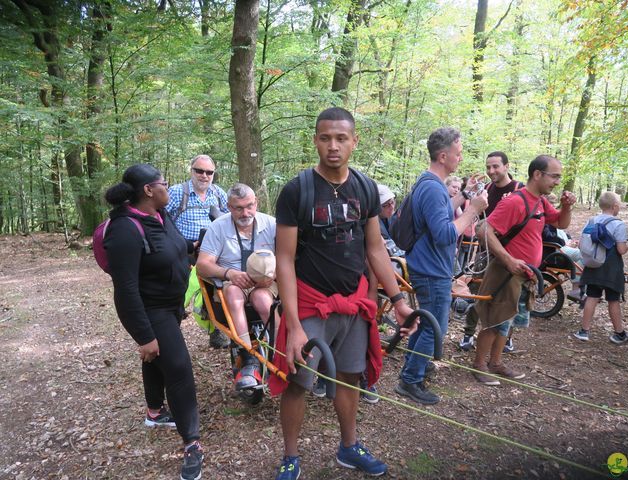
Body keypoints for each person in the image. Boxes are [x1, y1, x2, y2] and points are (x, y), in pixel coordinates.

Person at [270, 107, 415, 480]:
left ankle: (349, 447)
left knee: (350, 376)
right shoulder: (297, 190)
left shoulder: (365, 187)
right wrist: (295, 324)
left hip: (354, 302)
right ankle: (290, 457)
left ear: (354, 141)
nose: (333, 146)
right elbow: (284, 260)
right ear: (316, 140)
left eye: (341, 138)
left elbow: (375, 249)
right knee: (299, 381)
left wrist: (398, 301)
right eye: (325, 137)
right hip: (310, 302)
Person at [103, 164, 204, 480]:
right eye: (164, 183)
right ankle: (192, 444)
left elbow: (174, 245)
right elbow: (126, 290)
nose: (169, 188)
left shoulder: (161, 215)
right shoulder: (125, 230)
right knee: (178, 368)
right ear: (148, 189)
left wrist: (195, 247)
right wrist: (144, 336)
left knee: (158, 359)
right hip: (151, 311)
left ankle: (155, 412)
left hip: (171, 306)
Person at [397, 127, 488, 405]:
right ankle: (411, 380)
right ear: (443, 155)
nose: (460, 159)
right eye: (458, 154)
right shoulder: (433, 188)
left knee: (427, 322)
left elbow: (438, 214)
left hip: (427, 266)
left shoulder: (429, 183)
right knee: (434, 327)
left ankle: (417, 368)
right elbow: (445, 233)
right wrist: (473, 210)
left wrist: (464, 195)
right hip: (432, 269)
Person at [472, 155, 576, 385]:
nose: (558, 182)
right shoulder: (516, 201)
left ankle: (496, 362)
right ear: (537, 174)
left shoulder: (539, 201)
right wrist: (508, 260)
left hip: (524, 275)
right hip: (505, 273)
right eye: (554, 176)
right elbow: (483, 230)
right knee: (494, 320)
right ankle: (479, 364)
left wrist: (567, 206)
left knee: (507, 321)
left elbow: (561, 223)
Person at [196, 183, 277, 389]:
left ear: (256, 203)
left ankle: (280, 348)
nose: (245, 212)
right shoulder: (219, 227)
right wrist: (229, 273)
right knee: (232, 293)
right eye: (238, 208)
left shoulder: (271, 224)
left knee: (262, 299)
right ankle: (247, 354)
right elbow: (202, 265)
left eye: (249, 206)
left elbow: (289, 258)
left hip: (265, 284)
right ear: (229, 207)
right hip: (232, 282)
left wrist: (272, 275)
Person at [459, 151, 523, 352]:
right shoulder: (486, 190)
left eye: (495, 166)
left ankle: (506, 337)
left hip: (511, 253)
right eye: (488, 167)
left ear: (506, 166)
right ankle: (468, 334)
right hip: (486, 252)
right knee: (478, 293)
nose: (491, 171)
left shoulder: (518, 189)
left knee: (510, 297)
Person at [166, 154, 230, 349]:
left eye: (209, 172)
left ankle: (216, 330)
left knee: (217, 291)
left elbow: (229, 221)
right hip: (184, 251)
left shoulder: (218, 194)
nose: (204, 175)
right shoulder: (177, 192)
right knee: (178, 292)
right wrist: (182, 244)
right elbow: (163, 222)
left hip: (212, 252)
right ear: (191, 171)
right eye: (199, 171)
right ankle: (170, 332)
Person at [574, 192, 628, 344]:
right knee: (613, 300)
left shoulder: (591, 220)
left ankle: (584, 331)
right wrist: (626, 248)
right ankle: (619, 334)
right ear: (615, 207)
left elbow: (582, 243)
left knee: (592, 297)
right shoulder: (618, 224)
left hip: (593, 264)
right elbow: (620, 249)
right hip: (611, 269)